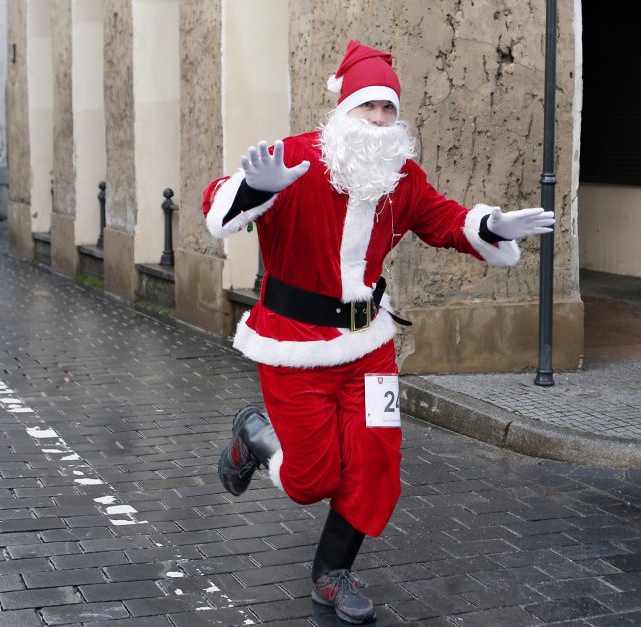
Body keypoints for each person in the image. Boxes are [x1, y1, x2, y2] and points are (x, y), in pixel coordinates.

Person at [205, 40, 554, 625]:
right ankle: (254, 436)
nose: (379, 120)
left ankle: (332, 574)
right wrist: (254, 190)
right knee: (309, 480)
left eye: (388, 109)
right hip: (293, 346)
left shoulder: (401, 176)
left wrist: (489, 223)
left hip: (369, 348)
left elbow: (444, 219)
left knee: (377, 464)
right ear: (344, 111)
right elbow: (217, 204)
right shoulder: (292, 159)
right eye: (368, 107)